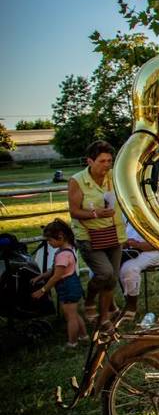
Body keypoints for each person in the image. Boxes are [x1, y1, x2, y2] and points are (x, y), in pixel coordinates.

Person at [68, 140, 126, 325]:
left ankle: (104, 318)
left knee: (112, 278)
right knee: (105, 273)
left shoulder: (115, 177)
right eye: (102, 161)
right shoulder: (77, 181)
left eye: (109, 161)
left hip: (114, 233)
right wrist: (96, 213)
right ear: (90, 161)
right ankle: (90, 298)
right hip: (89, 236)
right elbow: (74, 211)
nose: (107, 165)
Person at [31, 219, 87, 347]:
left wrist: (42, 290)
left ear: (61, 237)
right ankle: (84, 336)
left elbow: (56, 276)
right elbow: (53, 269)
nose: (49, 243)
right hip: (70, 285)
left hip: (67, 287)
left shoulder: (63, 255)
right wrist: (41, 276)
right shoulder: (65, 249)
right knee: (74, 313)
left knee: (70, 317)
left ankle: (72, 342)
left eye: (50, 240)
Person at [117, 220, 159, 321]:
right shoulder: (126, 213)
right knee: (104, 268)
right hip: (131, 251)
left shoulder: (151, 214)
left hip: (152, 252)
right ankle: (111, 308)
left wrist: (137, 245)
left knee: (129, 269)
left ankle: (132, 306)